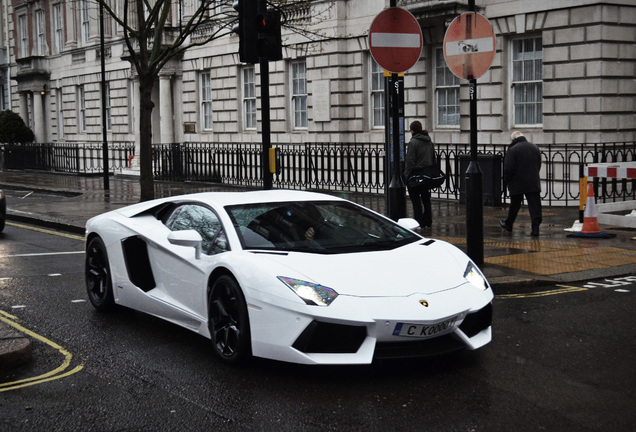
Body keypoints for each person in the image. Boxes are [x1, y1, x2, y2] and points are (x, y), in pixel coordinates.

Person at [500, 131, 542, 236]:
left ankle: (509, 224)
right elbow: (539, 164)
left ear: (513, 139)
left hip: (517, 182)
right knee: (535, 206)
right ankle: (535, 228)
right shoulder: (534, 147)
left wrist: (507, 179)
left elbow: (509, 168)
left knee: (515, 204)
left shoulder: (513, 149)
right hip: (532, 181)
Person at [405, 121, 436, 230]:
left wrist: (406, 176)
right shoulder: (429, 141)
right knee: (426, 199)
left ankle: (419, 222)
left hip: (415, 175)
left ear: (412, 130)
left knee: (416, 201)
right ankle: (428, 221)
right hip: (427, 174)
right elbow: (433, 158)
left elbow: (410, 161)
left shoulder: (413, 142)